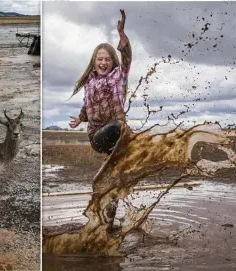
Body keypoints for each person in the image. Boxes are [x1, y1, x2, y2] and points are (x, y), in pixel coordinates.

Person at [69, 9, 131, 234]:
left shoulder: (119, 76)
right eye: (100, 59)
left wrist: (122, 35)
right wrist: (79, 118)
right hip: (98, 135)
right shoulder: (90, 81)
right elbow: (88, 105)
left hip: (117, 137)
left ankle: (108, 224)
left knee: (114, 179)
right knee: (119, 126)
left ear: (112, 61)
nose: (103, 62)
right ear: (94, 61)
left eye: (107, 59)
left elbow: (127, 58)